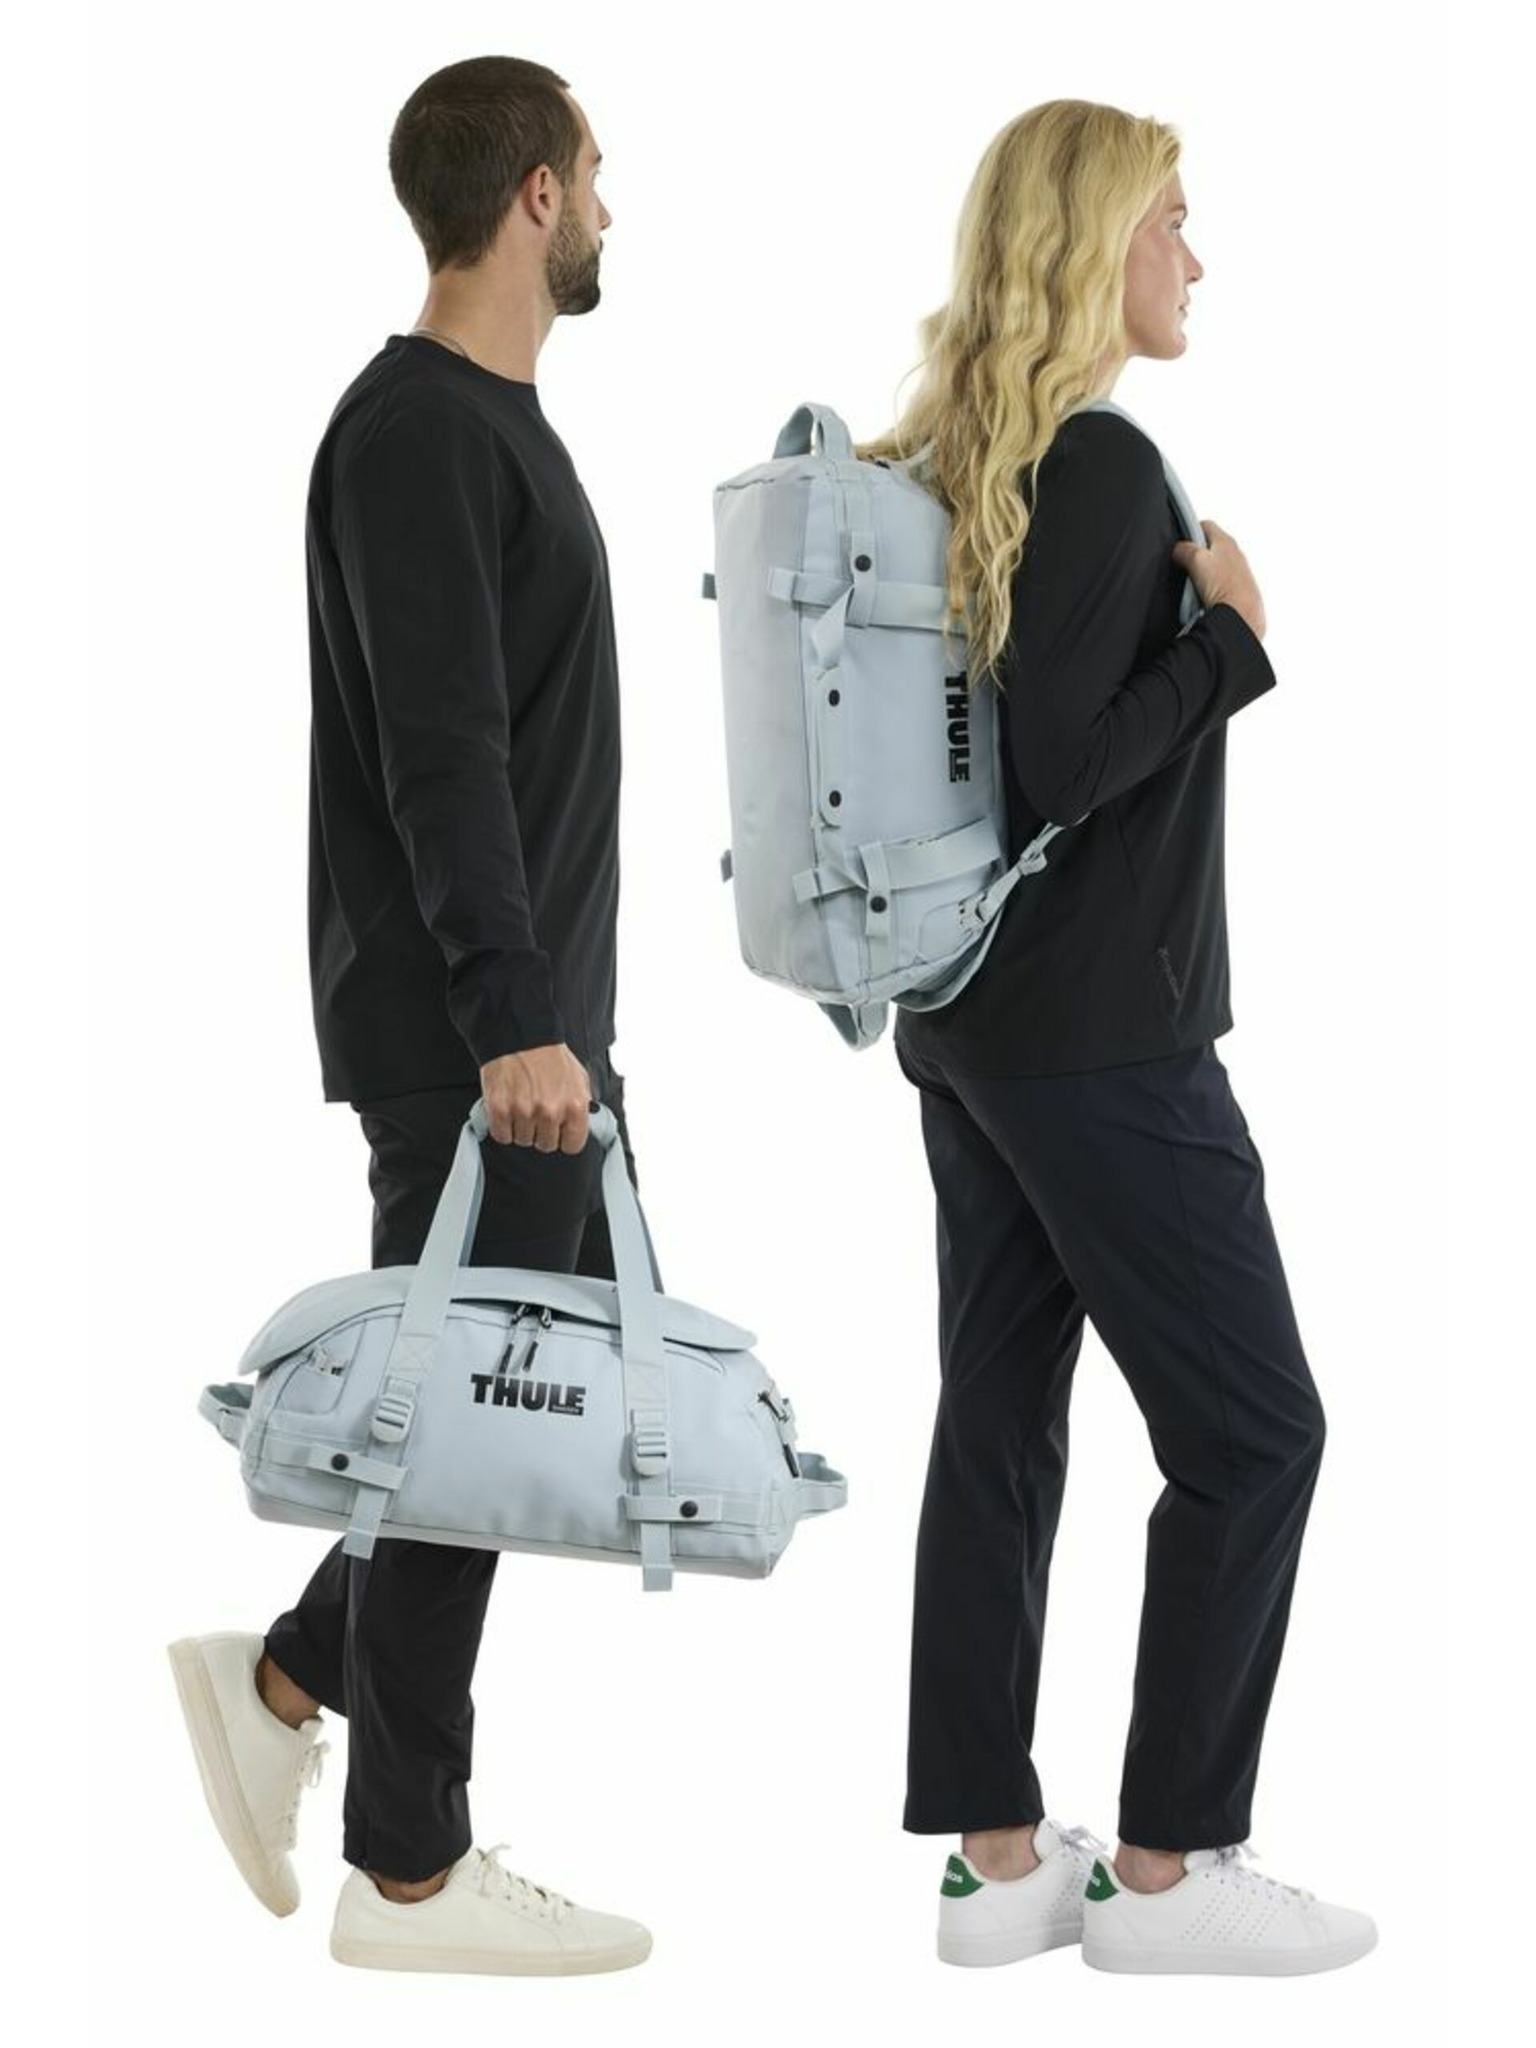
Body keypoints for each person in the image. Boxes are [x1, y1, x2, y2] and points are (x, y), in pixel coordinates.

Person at [856, 100, 1378, 1975]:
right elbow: (1067, 766)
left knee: (1001, 1420)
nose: (1194, 258)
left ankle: (999, 1863)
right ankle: (1165, 1871)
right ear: (1094, 243)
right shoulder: (1096, 464)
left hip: (975, 1030)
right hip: (1103, 1045)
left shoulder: (969, 458)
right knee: (1257, 1430)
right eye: (1171, 221)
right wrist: (1230, 642)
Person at [167, 55, 653, 1977]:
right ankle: (410, 1873)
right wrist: (515, 1020)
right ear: (533, 195)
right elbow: (445, 756)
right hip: (483, 1042)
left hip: (529, 1036)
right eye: (595, 176)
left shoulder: (485, 427)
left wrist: (561, 1027)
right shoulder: (418, 433)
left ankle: (287, 1685)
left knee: (492, 1419)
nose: (610, 209)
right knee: (463, 1432)